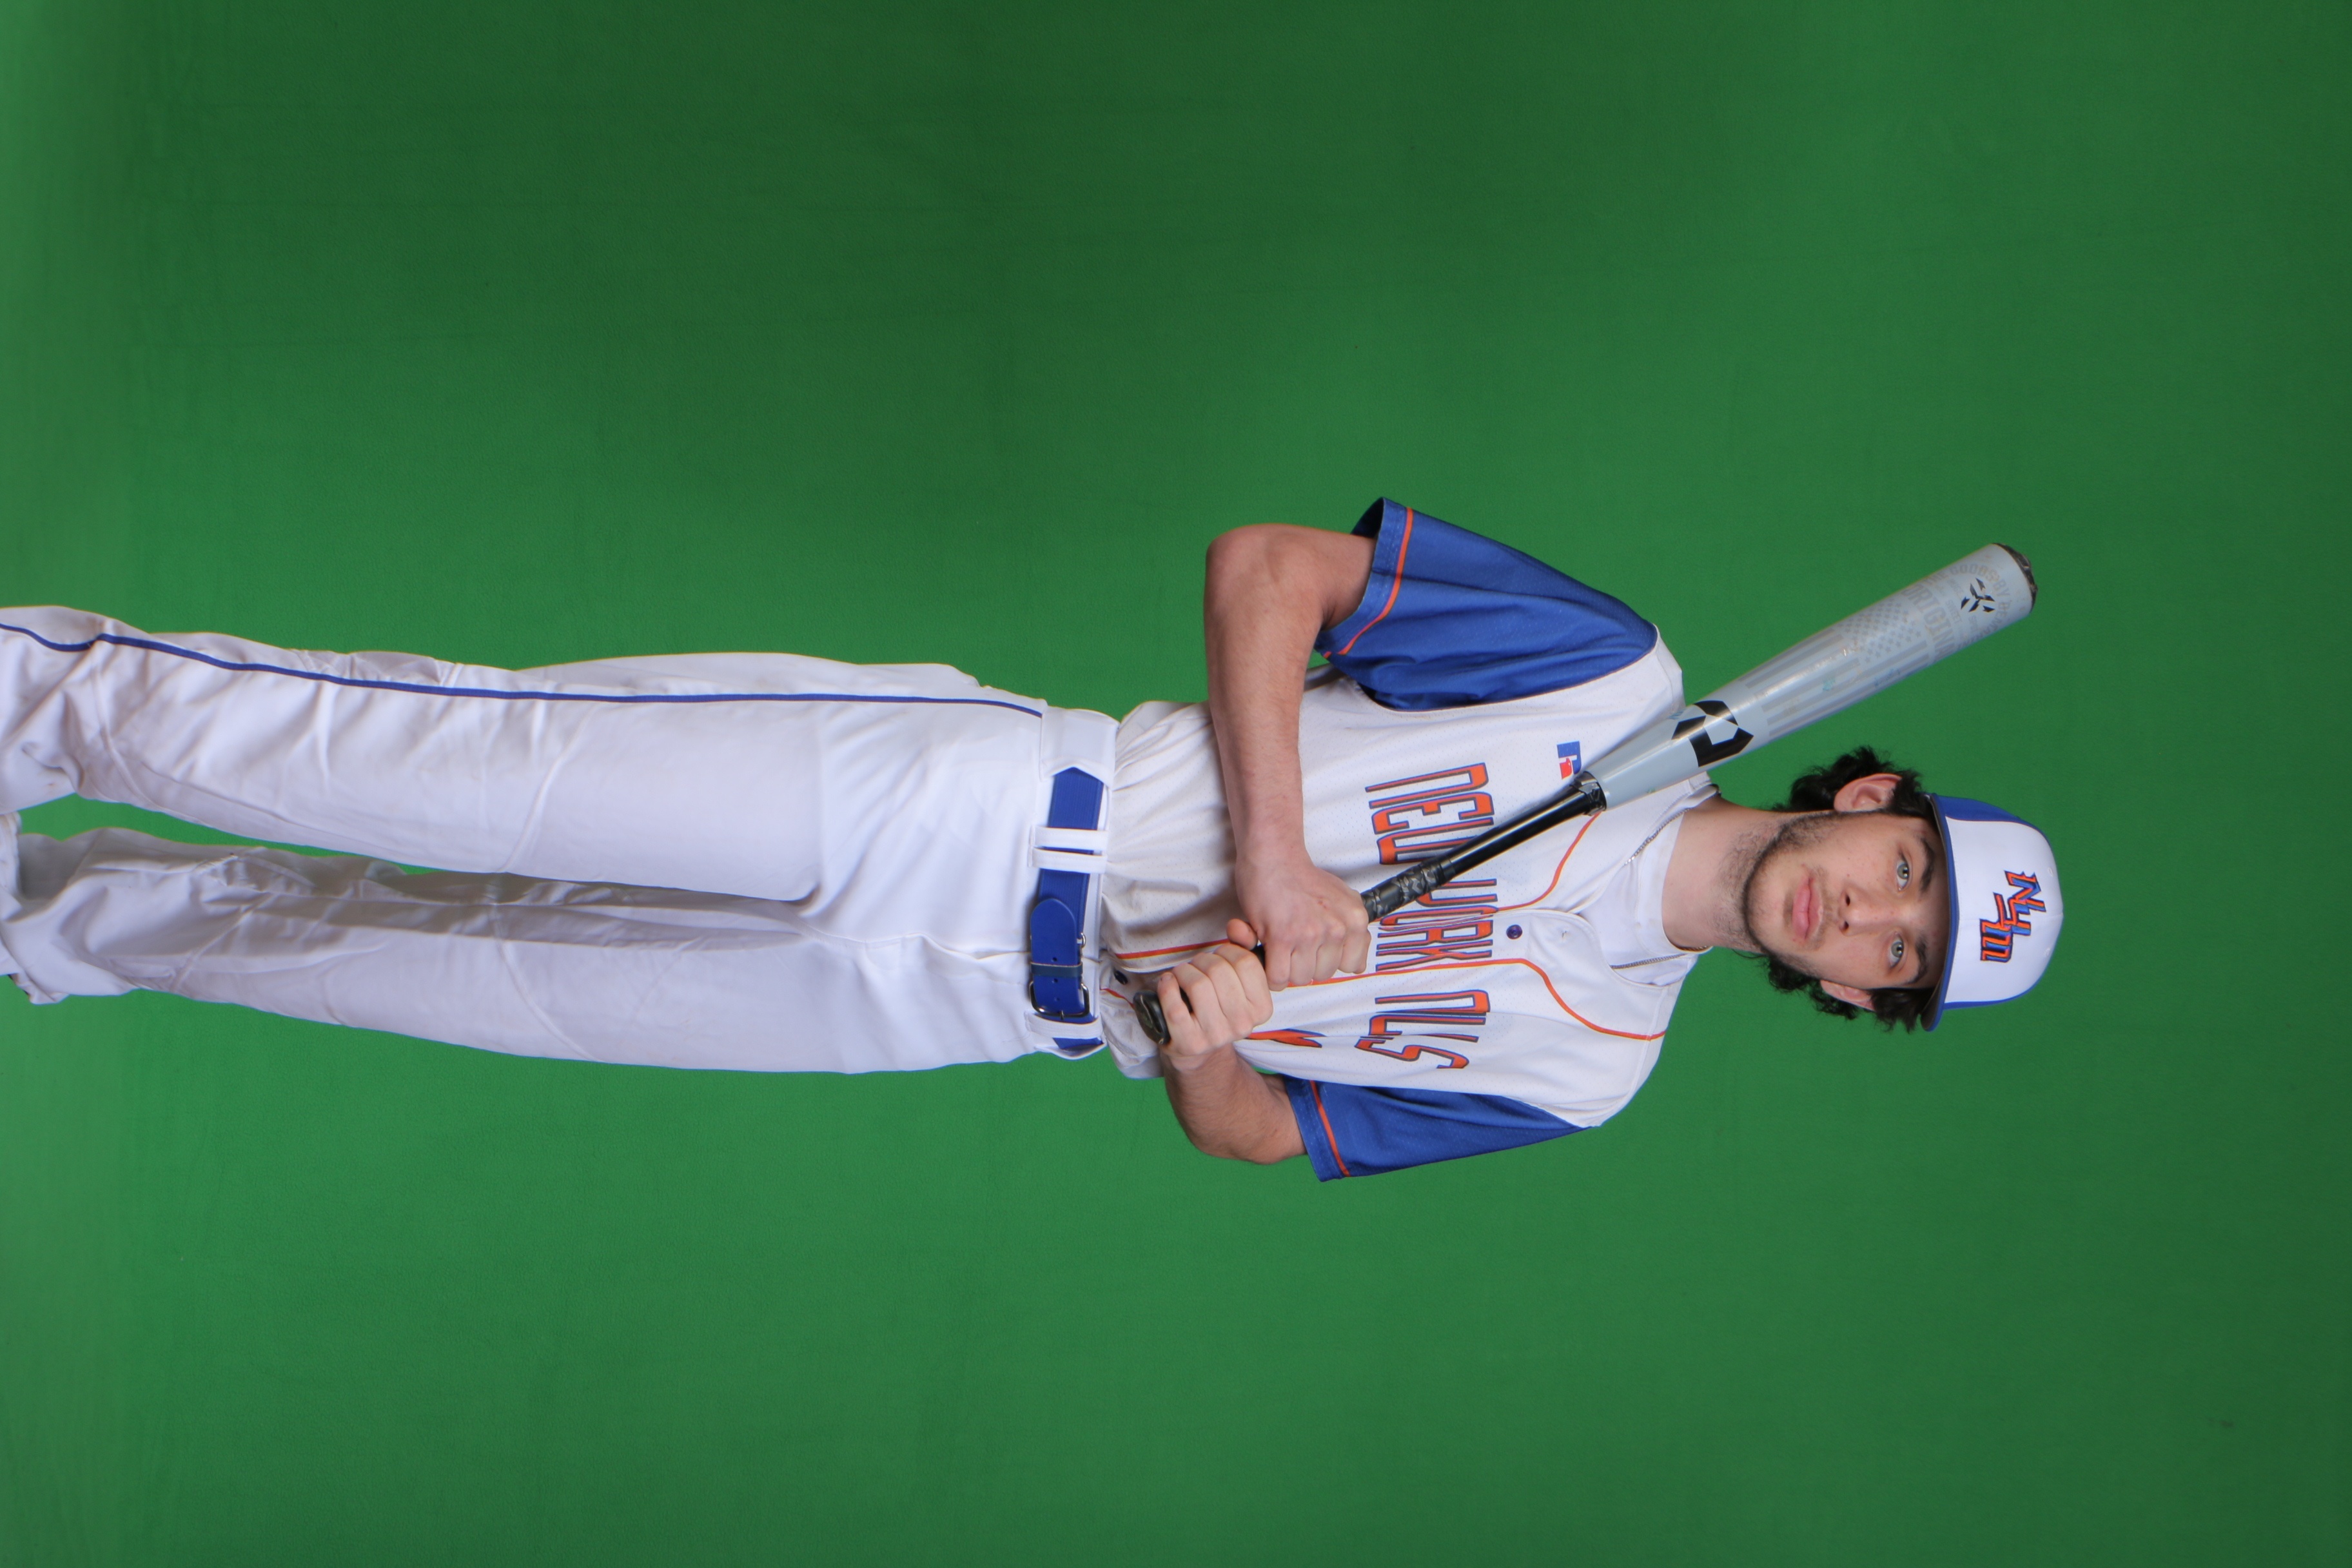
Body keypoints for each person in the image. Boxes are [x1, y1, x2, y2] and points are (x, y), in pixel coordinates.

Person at [0, 500, 2064, 1179]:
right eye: (1909, 876)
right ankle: (31, 695)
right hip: (973, 797)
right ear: (1866, 799)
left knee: (424, 975)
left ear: (1850, 997)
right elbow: (1268, 570)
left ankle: (51, 922)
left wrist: (1209, 1044)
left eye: (1900, 958)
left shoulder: (1586, 1072)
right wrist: (1279, 866)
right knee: (421, 768)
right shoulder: (1616, 683)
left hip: (962, 1013)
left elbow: (1263, 1134)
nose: (1872, 918)